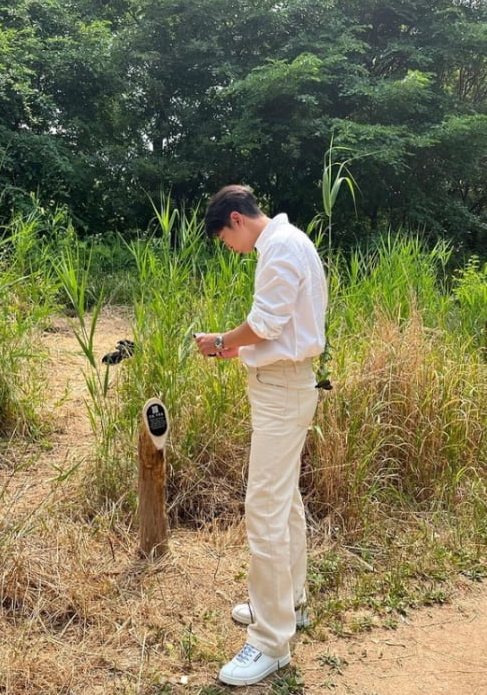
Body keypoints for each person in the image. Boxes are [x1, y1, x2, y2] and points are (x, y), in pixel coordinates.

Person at [194, 184, 327, 687]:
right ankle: (289, 604)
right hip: (285, 382)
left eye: (225, 238)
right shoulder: (290, 242)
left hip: (282, 392)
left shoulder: (279, 248)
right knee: (283, 499)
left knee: (264, 508)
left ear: (236, 219)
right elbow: (279, 329)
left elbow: (267, 323)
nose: (230, 247)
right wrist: (240, 351)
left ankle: (272, 641)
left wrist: (223, 341)